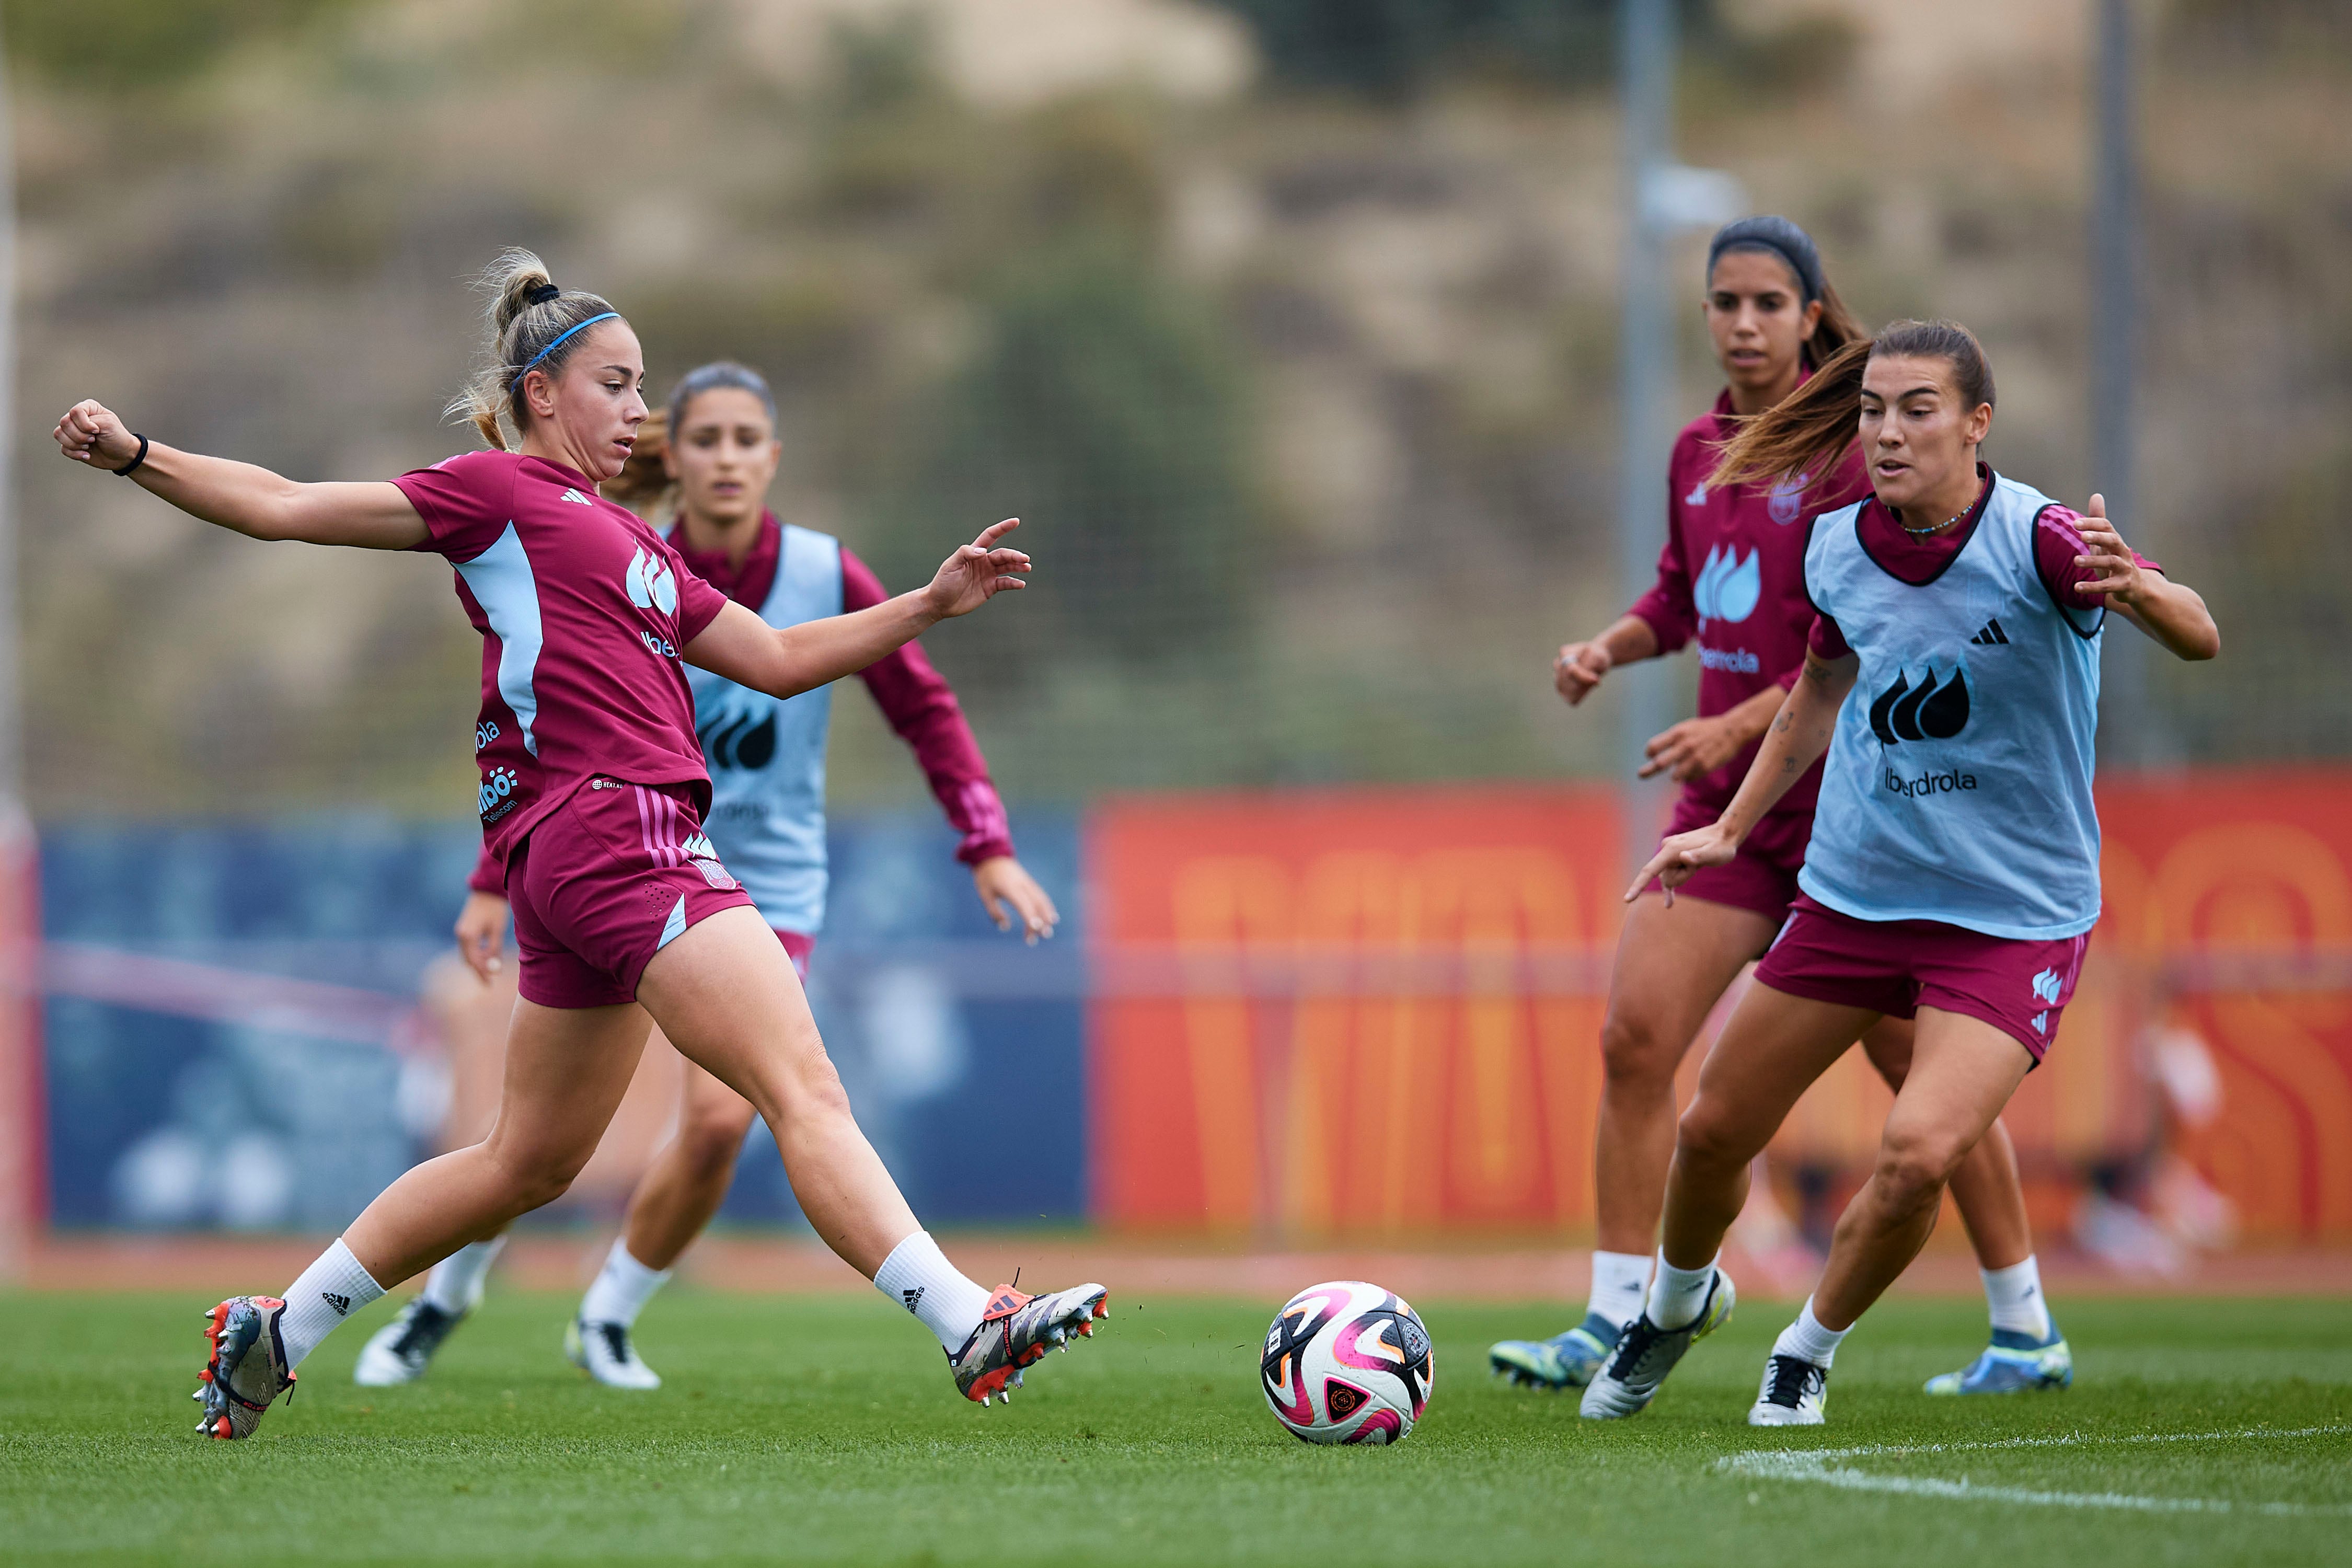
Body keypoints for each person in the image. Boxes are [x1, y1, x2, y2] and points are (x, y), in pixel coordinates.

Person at [53, 250, 1106, 1440]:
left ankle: (279, 1326)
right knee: (798, 1083)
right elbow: (287, 506)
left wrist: (925, 603)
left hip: (569, 859)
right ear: (542, 390)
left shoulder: (640, 549)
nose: (639, 411)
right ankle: (969, 1321)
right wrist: (140, 458)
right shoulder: (493, 491)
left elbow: (778, 658)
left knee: (527, 1165)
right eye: (617, 383)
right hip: (620, 830)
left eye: (642, 385)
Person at [356, 361, 1062, 1390]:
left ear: (774, 458)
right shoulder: (614, 553)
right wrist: (491, 879)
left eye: (747, 440)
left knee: (725, 1116)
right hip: (625, 860)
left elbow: (920, 705)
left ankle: (606, 1316)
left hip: (766, 880)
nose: (727, 458)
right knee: (542, 1145)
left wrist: (987, 843)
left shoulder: (825, 571)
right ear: (670, 459)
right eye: (706, 439)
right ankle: (446, 1300)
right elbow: (535, 714)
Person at [1578, 317, 2217, 1426]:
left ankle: (1806, 1351)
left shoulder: (2046, 539)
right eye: (1873, 409)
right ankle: (1673, 1313)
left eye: (1917, 409)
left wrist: (2143, 592)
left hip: (2010, 918)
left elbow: (2201, 632)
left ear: (1977, 425)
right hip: (1859, 896)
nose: (1886, 430)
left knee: (1919, 1151)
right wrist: (1730, 830)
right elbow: (1819, 693)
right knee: (1710, 1131)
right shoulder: (1835, 545)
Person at [1489, 218, 2065, 1399]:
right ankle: (1616, 1313)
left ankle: (2023, 1324)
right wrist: (1612, 644)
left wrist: (1733, 723)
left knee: (1927, 1090)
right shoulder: (1698, 447)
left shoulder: (1870, 453)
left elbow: (1851, 658)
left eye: (1766, 302)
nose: (1742, 322)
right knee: (1633, 1040)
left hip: (1858, 821)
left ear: (1812, 315)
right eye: (1723, 302)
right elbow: (1686, 594)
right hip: (1726, 812)